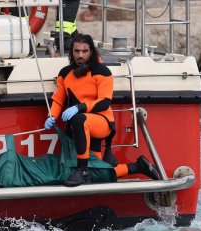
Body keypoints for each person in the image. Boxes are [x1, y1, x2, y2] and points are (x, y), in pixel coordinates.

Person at [44, 33, 160, 187]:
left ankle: (82, 170)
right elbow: (58, 100)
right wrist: (51, 116)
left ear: (91, 52)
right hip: (80, 128)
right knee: (99, 175)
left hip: (102, 123)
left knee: (79, 119)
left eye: (84, 51)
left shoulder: (102, 72)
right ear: (72, 52)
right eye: (77, 51)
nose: (80, 55)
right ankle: (137, 167)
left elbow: (104, 102)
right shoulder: (65, 73)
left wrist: (79, 107)